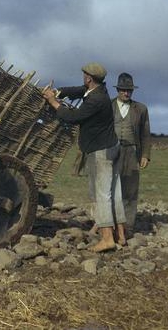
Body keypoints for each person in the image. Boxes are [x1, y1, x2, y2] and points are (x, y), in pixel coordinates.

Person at [42, 62, 126, 252]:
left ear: (89, 78)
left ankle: (107, 239)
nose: (83, 78)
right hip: (112, 146)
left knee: (102, 194)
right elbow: (79, 91)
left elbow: (74, 117)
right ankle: (121, 236)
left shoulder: (96, 100)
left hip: (101, 151)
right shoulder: (99, 91)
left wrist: (53, 102)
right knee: (115, 192)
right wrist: (58, 92)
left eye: (84, 75)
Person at [112, 72, 151, 236]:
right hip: (111, 151)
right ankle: (109, 225)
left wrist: (145, 155)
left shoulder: (141, 109)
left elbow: (145, 133)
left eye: (129, 90)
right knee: (109, 189)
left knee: (130, 190)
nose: (126, 93)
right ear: (118, 90)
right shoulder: (108, 106)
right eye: (123, 90)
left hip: (131, 151)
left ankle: (128, 226)